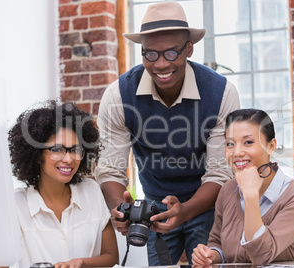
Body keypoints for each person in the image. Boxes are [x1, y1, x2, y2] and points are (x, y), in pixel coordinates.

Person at [95, 1, 240, 265]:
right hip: (154, 205)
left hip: (208, 203)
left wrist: (185, 211)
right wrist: (121, 209)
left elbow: (220, 172)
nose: (161, 64)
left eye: (171, 53)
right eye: (150, 54)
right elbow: (110, 168)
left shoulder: (222, 93)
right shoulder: (118, 96)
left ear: (189, 49)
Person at [192, 108, 294, 266]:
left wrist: (251, 195)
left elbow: (262, 257)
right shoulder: (227, 190)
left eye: (248, 142)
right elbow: (217, 242)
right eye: (230, 144)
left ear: (271, 146)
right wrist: (209, 255)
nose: (236, 152)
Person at [7, 100, 119, 268]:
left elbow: (111, 257)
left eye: (75, 150)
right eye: (57, 150)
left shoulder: (91, 191)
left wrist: (80, 263)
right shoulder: (16, 205)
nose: (69, 159)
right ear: (38, 155)